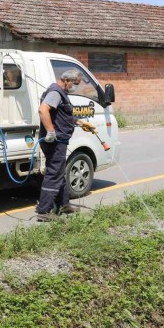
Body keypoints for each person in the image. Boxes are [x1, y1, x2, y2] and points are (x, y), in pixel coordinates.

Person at [36, 69, 95, 222]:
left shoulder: (61, 93)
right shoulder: (55, 92)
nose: (75, 87)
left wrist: (81, 122)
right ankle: (44, 211)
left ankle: (64, 204)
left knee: (59, 171)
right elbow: (43, 110)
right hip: (55, 141)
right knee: (54, 173)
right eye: (74, 84)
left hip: (59, 140)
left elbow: (62, 114)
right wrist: (50, 131)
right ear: (67, 80)